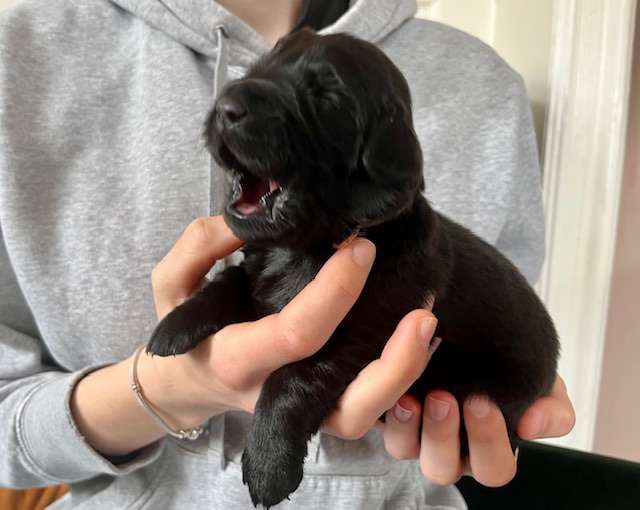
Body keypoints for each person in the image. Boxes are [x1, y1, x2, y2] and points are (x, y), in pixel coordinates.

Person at [0, 0, 575, 508]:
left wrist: (486, 423)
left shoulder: (482, 87)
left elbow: (401, 339)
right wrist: (160, 390)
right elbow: (250, 284)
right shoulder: (25, 47)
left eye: (323, 98)